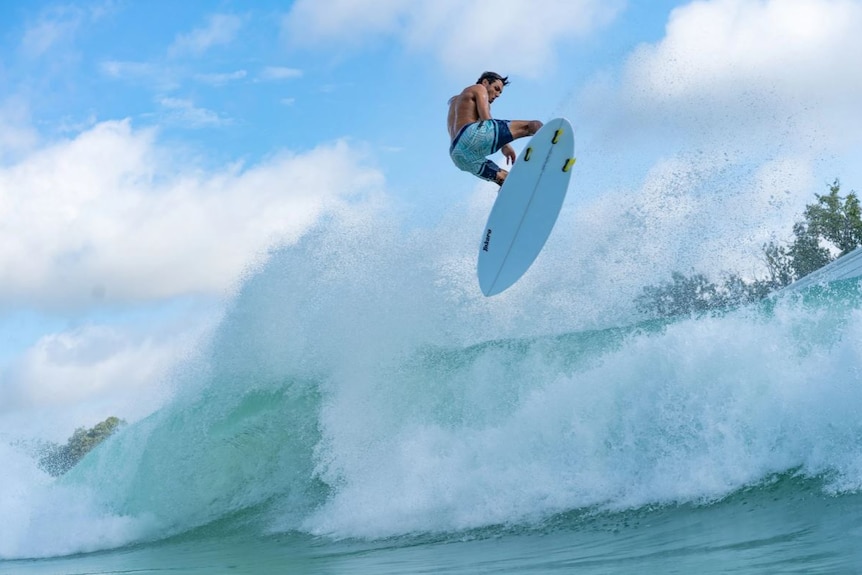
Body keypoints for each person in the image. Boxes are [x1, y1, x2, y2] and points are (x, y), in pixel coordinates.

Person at [447, 71, 543, 186]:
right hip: (470, 135)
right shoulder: (479, 88)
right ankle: (549, 144)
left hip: (457, 155)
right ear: (485, 82)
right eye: (496, 88)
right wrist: (505, 146)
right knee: (532, 125)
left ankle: (516, 195)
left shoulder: (455, 101)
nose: (497, 94)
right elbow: (487, 119)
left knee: (505, 179)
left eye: (500, 92)